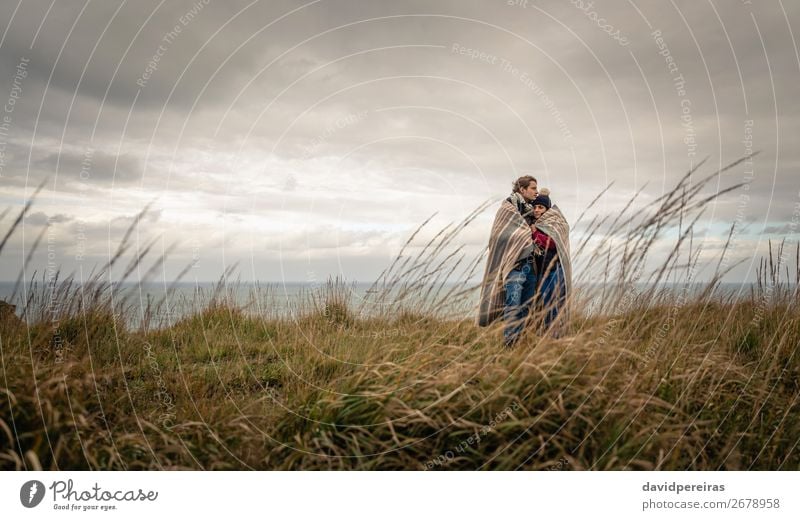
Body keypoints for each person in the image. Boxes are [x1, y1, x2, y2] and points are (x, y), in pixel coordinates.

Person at [477, 175, 540, 346]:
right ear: (522, 189)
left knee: (526, 308)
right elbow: (498, 235)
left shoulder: (532, 211)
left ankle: (521, 343)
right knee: (512, 306)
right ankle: (509, 344)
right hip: (515, 267)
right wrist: (528, 233)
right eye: (533, 188)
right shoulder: (508, 208)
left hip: (530, 266)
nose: (536, 191)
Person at [527, 188, 572, 337]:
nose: (537, 210)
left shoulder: (554, 222)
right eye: (535, 207)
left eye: (541, 207)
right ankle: (545, 339)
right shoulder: (534, 223)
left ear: (547, 209)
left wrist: (534, 232)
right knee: (541, 307)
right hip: (541, 272)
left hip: (554, 272)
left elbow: (551, 244)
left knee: (552, 306)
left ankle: (555, 339)